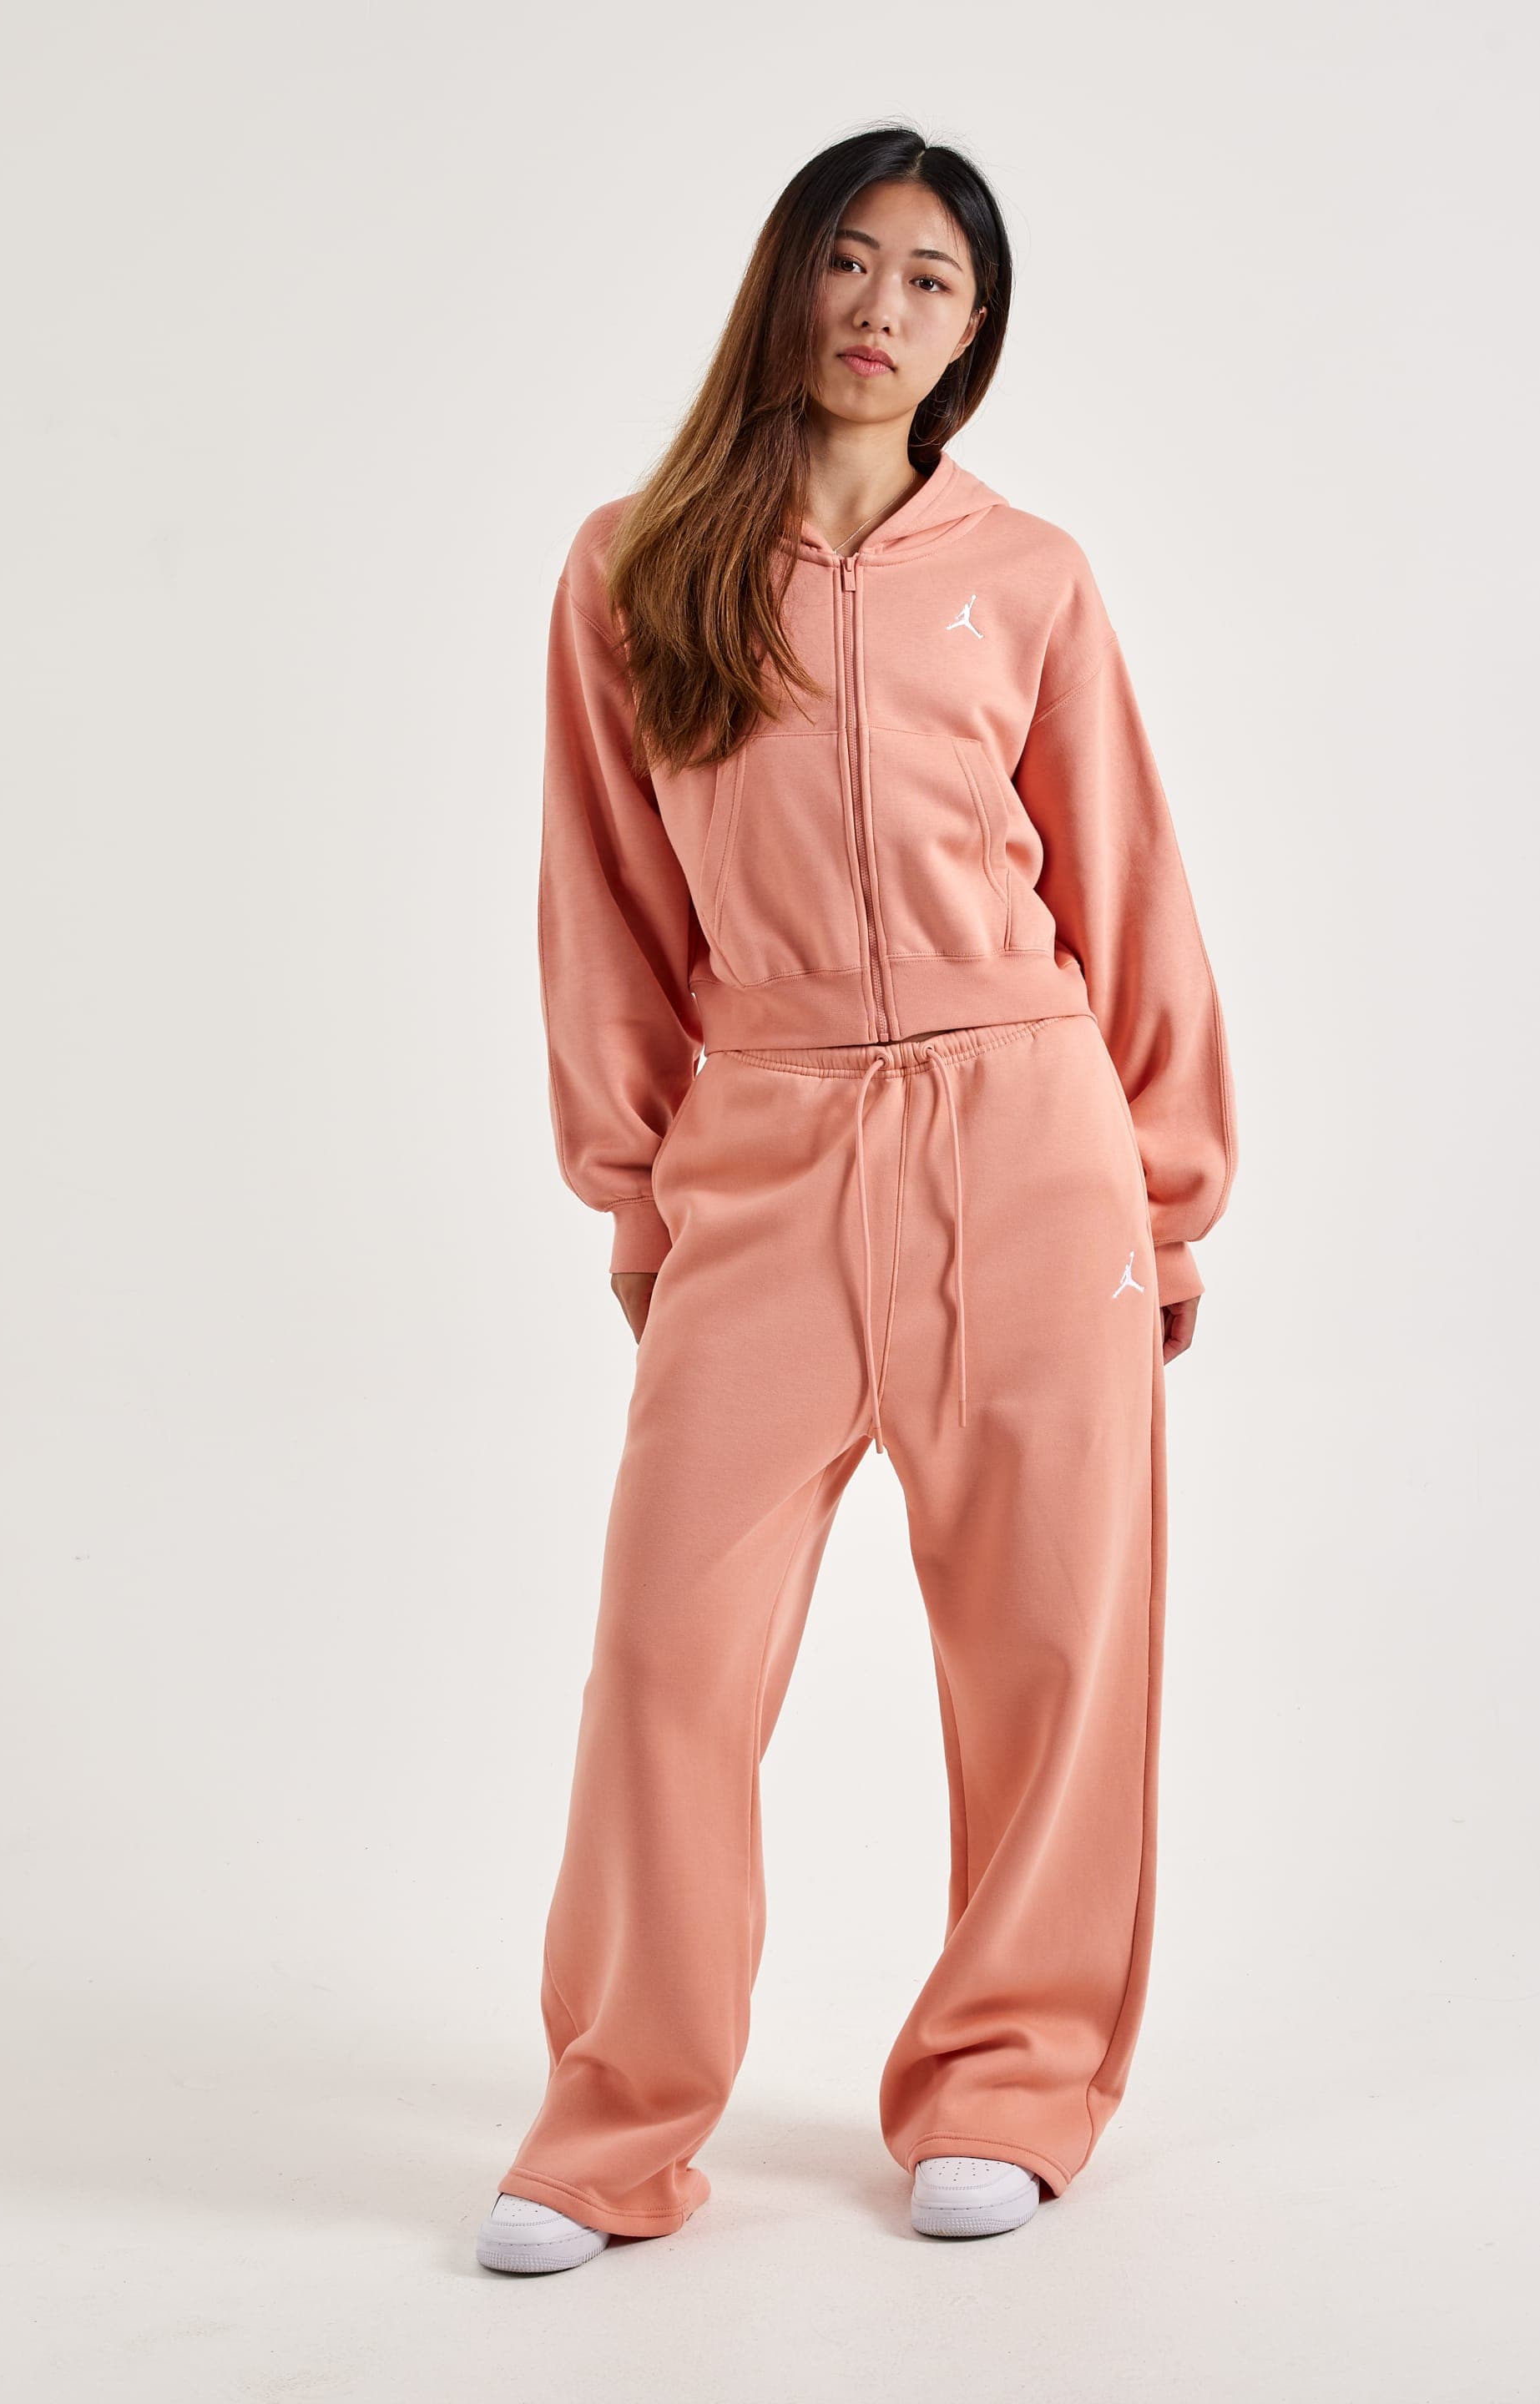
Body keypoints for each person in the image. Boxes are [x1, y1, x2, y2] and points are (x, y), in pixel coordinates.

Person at [476, 123, 1238, 2275]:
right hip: (765, 1133)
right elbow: (607, 909)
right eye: (849, 258)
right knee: (670, 1653)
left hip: (1031, 1128)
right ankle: (614, 2119)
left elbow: (1128, 886)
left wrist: (1166, 1198)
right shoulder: (636, 567)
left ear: (971, 334)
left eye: (931, 280)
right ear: (785, 280)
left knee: (1051, 1644)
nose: (881, 307)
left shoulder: (1034, 574)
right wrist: (640, 1195)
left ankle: (1010, 2080)